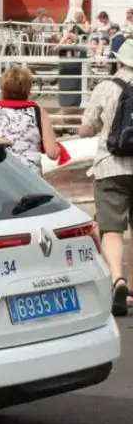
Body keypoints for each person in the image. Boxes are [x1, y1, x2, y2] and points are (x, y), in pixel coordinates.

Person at [78, 39, 133, 316]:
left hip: (110, 166)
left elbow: (86, 129)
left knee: (112, 229)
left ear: (119, 60)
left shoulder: (106, 86)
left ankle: (117, 280)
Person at [0, 66, 59, 174]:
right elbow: (52, 153)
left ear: (3, 88)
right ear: (28, 88)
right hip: (29, 178)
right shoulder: (38, 112)